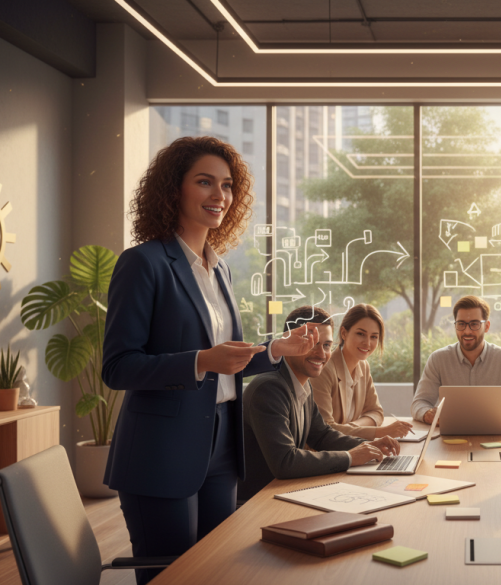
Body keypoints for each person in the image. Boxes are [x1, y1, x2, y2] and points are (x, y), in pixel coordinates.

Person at [102, 136, 321, 585]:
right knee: (173, 574)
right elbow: (119, 366)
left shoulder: (217, 267)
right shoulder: (143, 264)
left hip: (222, 444)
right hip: (161, 450)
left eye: (226, 186)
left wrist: (277, 349)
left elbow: (227, 359)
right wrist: (200, 360)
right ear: (173, 189)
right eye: (205, 182)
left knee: (218, 569)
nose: (219, 196)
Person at [240, 306, 401, 501]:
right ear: (287, 341)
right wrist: (350, 457)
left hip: (285, 492)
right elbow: (285, 461)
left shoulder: (301, 383)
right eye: (312, 343)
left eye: (326, 345)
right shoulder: (269, 388)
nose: (321, 354)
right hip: (258, 503)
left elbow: (322, 435)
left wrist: (369, 446)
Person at [411, 295, 501, 424]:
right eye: (461, 324)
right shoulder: (438, 359)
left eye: (474, 324)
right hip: (449, 439)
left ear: (486, 326)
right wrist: (427, 414)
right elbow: (419, 403)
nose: (467, 331)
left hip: (496, 435)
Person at [312, 304, 413, 439]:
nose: (367, 343)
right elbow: (325, 429)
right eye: (361, 334)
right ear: (344, 333)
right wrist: (381, 432)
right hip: (325, 454)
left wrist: (352, 428)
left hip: (352, 448)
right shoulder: (325, 369)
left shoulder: (363, 366)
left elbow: (376, 412)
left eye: (374, 337)